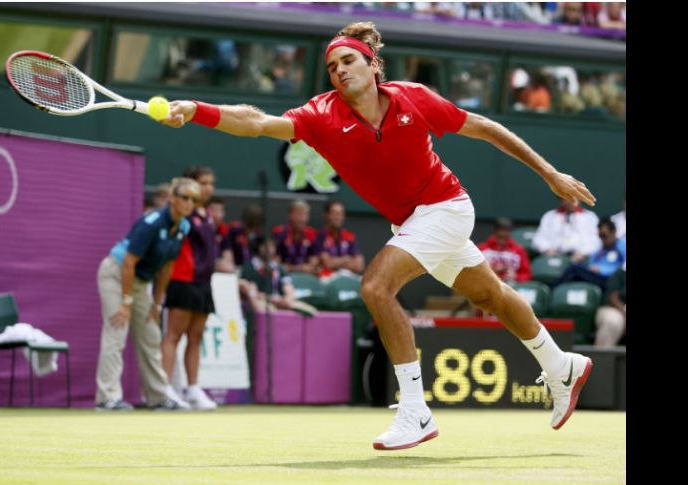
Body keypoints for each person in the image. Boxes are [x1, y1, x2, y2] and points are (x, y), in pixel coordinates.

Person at [160, 21, 596, 450]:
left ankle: (415, 410)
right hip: (413, 222)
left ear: (372, 65)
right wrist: (197, 110)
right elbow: (256, 122)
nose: (339, 70)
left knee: (375, 286)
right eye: (332, 67)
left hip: (447, 208)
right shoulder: (320, 115)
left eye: (348, 61)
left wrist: (549, 173)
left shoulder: (414, 98)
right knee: (492, 296)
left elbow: (484, 127)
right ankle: (561, 365)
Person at [95, 177, 199, 411]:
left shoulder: (183, 227)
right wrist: (125, 303)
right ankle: (107, 398)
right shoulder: (151, 222)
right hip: (116, 274)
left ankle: (158, 397)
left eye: (193, 199)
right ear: (172, 198)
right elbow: (128, 263)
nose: (189, 203)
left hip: (141, 283)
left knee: (151, 335)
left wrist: (157, 303)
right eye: (184, 197)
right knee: (116, 331)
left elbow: (167, 267)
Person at [162, 166, 219, 411]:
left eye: (211, 183)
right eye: (203, 183)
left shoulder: (208, 215)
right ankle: (164, 390)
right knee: (173, 336)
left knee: (196, 337)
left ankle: (193, 389)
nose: (208, 188)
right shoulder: (182, 212)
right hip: (183, 280)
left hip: (204, 283)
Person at [555, 219, 625, 291]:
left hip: (611, 280)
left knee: (575, 270)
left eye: (604, 235)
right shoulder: (600, 250)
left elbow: (623, 269)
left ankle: (554, 290)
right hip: (596, 277)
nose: (602, 239)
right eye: (600, 236)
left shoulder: (622, 245)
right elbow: (591, 265)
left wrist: (601, 270)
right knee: (575, 269)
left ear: (613, 232)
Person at [532, 197, 600, 263]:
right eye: (567, 198)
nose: (570, 202)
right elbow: (538, 239)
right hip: (555, 257)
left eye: (574, 198)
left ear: (580, 199)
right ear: (560, 199)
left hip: (581, 259)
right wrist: (547, 249)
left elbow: (595, 242)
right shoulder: (550, 216)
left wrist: (583, 253)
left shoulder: (590, 217)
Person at [314, 199, 365, 278]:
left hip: (348, 277)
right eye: (334, 213)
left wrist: (336, 262)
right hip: (327, 278)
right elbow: (328, 263)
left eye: (340, 213)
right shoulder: (320, 236)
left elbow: (359, 265)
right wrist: (347, 259)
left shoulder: (348, 235)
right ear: (326, 215)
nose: (337, 217)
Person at [477, 217, 532, 284]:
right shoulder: (482, 249)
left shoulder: (519, 250)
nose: (502, 240)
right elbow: (475, 272)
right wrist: (492, 271)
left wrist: (516, 276)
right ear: (495, 232)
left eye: (505, 237)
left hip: (511, 285)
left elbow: (527, 274)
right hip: (487, 284)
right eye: (500, 236)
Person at [272, 199, 319, 275]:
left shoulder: (312, 233)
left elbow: (314, 261)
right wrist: (298, 268)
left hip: (306, 275)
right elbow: (275, 264)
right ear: (290, 215)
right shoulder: (279, 233)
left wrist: (311, 266)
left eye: (304, 215)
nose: (300, 219)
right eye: (297, 214)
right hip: (285, 275)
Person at [594, 262, 626, 347]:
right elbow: (613, 298)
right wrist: (624, 311)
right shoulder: (620, 273)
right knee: (612, 321)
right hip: (613, 309)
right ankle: (602, 354)